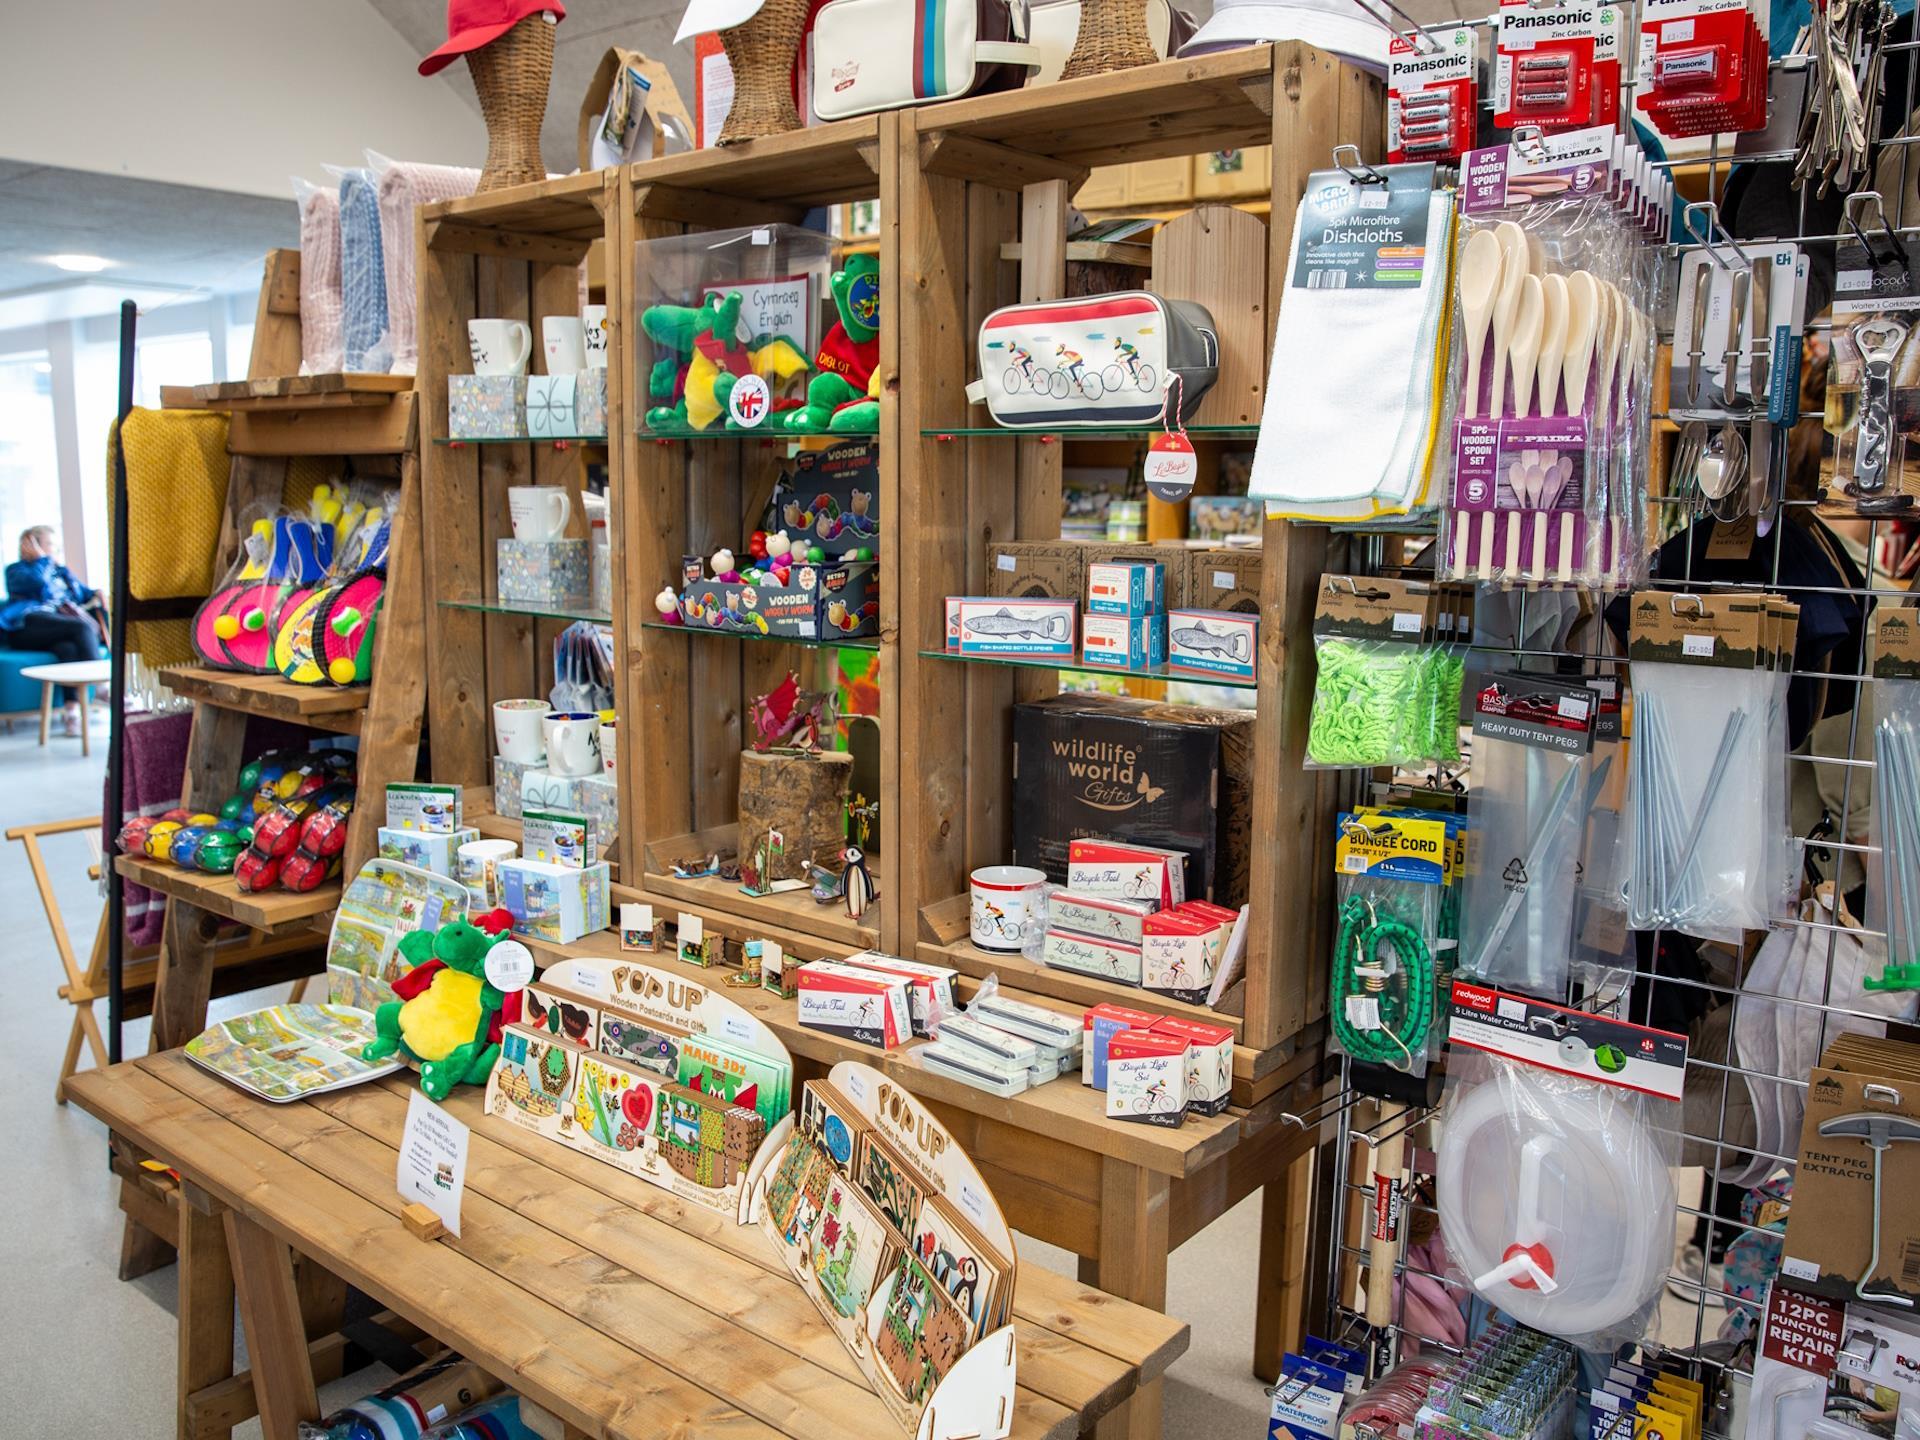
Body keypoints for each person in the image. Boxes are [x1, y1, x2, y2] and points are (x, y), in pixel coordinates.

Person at [2, 526, 105, 735]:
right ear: (33, 545)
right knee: (82, 627)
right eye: (52, 545)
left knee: (68, 649)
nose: (57, 550)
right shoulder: (16, 570)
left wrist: (97, 593)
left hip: (56, 627)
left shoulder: (60, 572)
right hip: (27, 625)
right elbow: (38, 585)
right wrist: (42, 560)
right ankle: (102, 687)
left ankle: (71, 713)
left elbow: (82, 594)